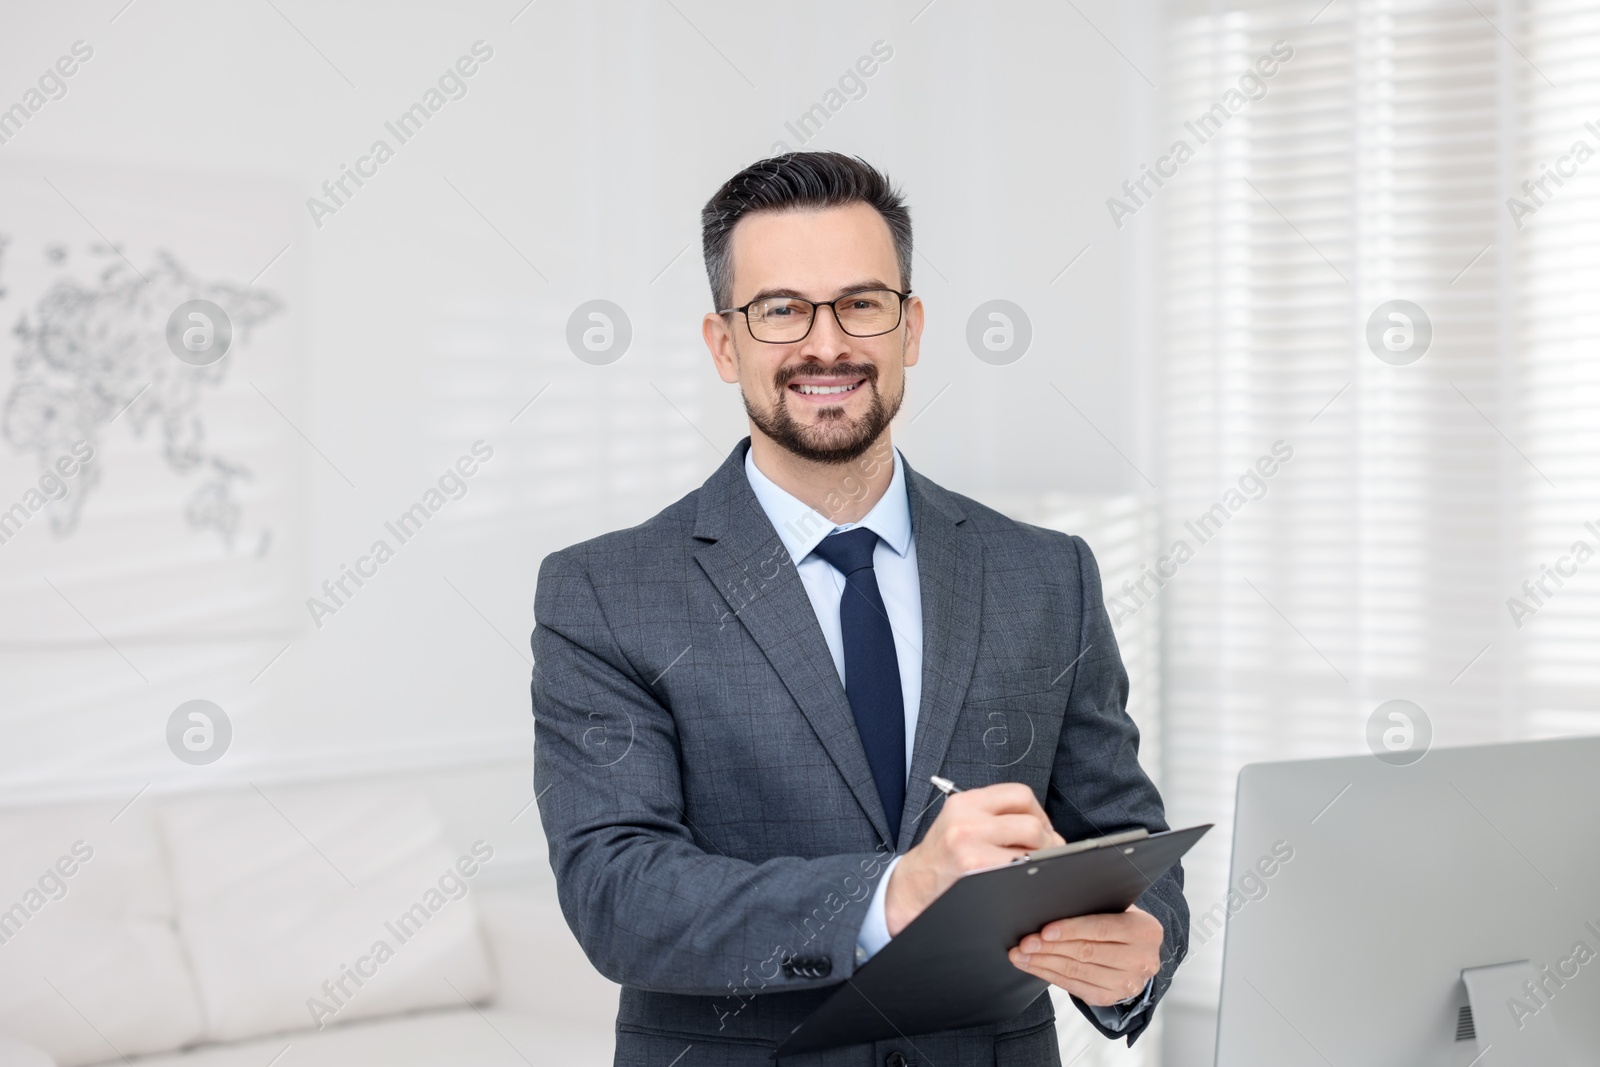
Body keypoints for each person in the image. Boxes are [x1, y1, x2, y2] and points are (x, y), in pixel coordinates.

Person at [532, 151, 1188, 1066]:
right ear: (725, 344)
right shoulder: (605, 592)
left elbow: (1125, 841)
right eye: (781, 309)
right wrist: (896, 890)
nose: (826, 343)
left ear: (910, 328)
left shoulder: (1048, 574)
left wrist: (1140, 951)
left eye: (861, 303)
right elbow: (618, 894)